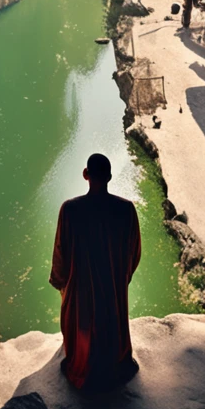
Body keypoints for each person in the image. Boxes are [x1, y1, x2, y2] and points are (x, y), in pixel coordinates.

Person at [50, 152, 141, 392]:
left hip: (82, 287)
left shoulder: (70, 210)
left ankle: (82, 362)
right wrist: (120, 277)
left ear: (85, 175)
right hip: (112, 284)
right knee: (112, 317)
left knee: (83, 319)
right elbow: (134, 252)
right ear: (110, 177)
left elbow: (61, 252)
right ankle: (114, 361)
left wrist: (61, 281)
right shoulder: (126, 210)